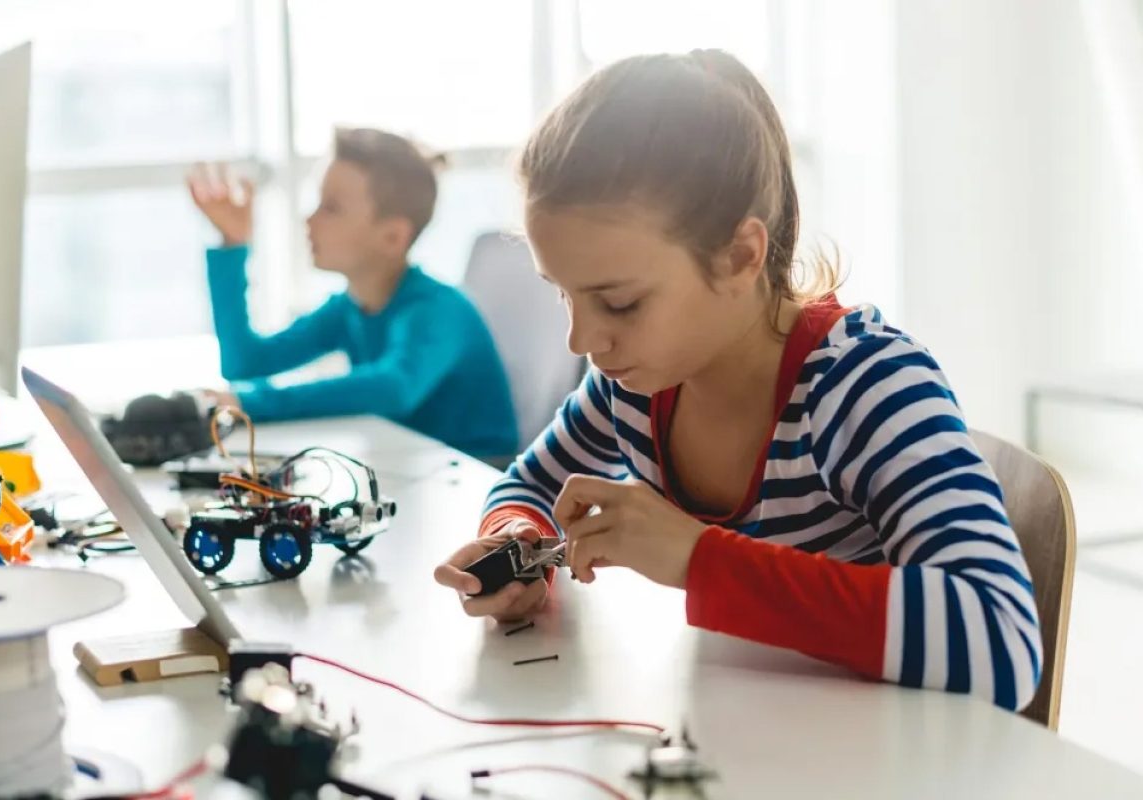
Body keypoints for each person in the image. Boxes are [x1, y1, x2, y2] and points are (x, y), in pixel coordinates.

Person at [433, 51, 1041, 711]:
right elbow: (529, 484)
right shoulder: (634, 387)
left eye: (621, 302)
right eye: (563, 295)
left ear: (741, 256)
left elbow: (1000, 640)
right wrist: (517, 542)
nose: (581, 341)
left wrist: (700, 560)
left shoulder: (863, 387)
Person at [186, 128, 517, 459]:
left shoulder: (441, 311)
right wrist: (233, 243)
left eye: (331, 208)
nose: (309, 219)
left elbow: (393, 389)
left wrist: (245, 403)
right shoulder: (349, 309)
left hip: (481, 479)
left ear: (392, 236)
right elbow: (245, 362)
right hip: (410, 468)